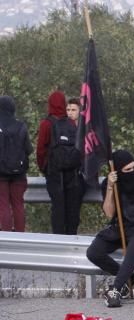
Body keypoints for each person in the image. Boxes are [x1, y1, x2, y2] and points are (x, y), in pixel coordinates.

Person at [86, 150, 134, 307]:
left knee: (133, 251)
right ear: (118, 171)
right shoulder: (110, 183)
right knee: (93, 252)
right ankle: (130, 278)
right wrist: (110, 188)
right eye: (127, 170)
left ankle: (116, 290)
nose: (132, 172)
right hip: (117, 227)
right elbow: (109, 213)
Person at [36, 91, 83, 234]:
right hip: (72, 173)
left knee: (58, 208)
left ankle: (58, 240)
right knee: (71, 208)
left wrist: (44, 168)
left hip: (55, 174)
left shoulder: (46, 123)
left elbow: (40, 150)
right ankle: (71, 238)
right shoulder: (72, 123)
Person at [0, 96, 31, 232]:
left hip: (0, 173)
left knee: (3, 204)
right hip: (19, 172)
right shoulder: (21, 126)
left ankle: (6, 236)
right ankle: (20, 235)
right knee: (18, 204)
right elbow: (28, 149)